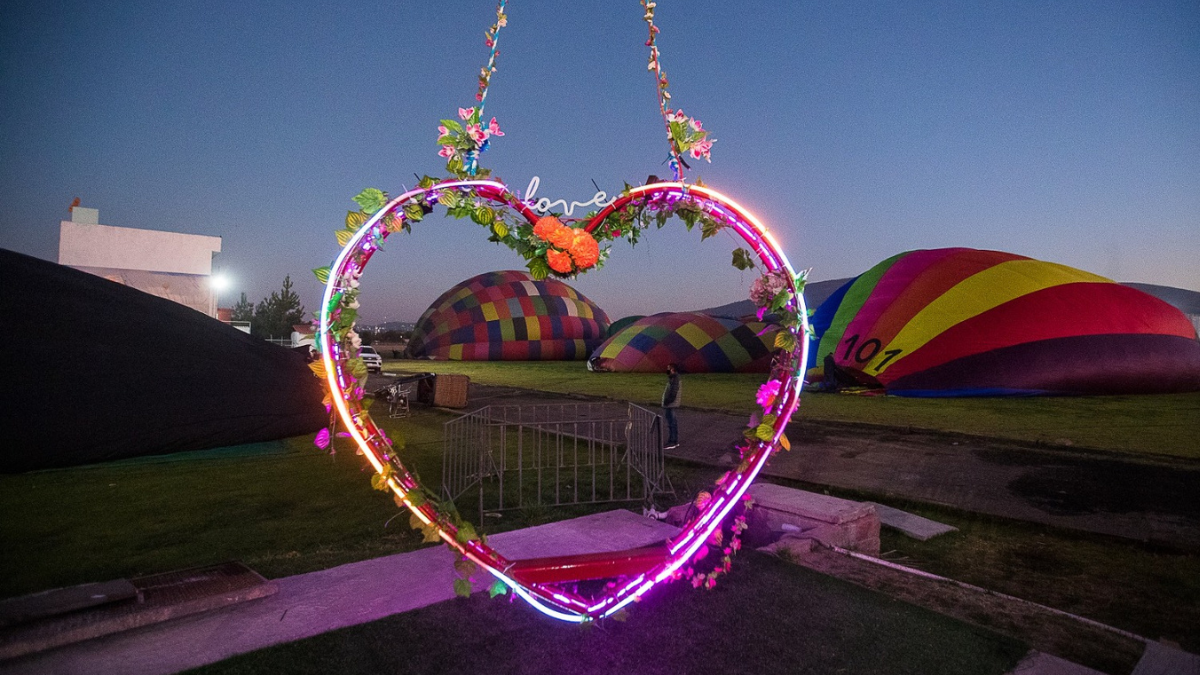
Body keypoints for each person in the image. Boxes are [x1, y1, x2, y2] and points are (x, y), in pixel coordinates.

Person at [662, 363, 681, 449]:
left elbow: (673, 393)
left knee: (672, 423)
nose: (667, 370)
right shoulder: (673, 378)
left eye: (668, 368)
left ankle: (672, 441)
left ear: (672, 369)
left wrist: (667, 401)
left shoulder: (675, 379)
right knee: (672, 423)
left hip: (670, 404)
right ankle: (673, 440)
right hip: (670, 404)